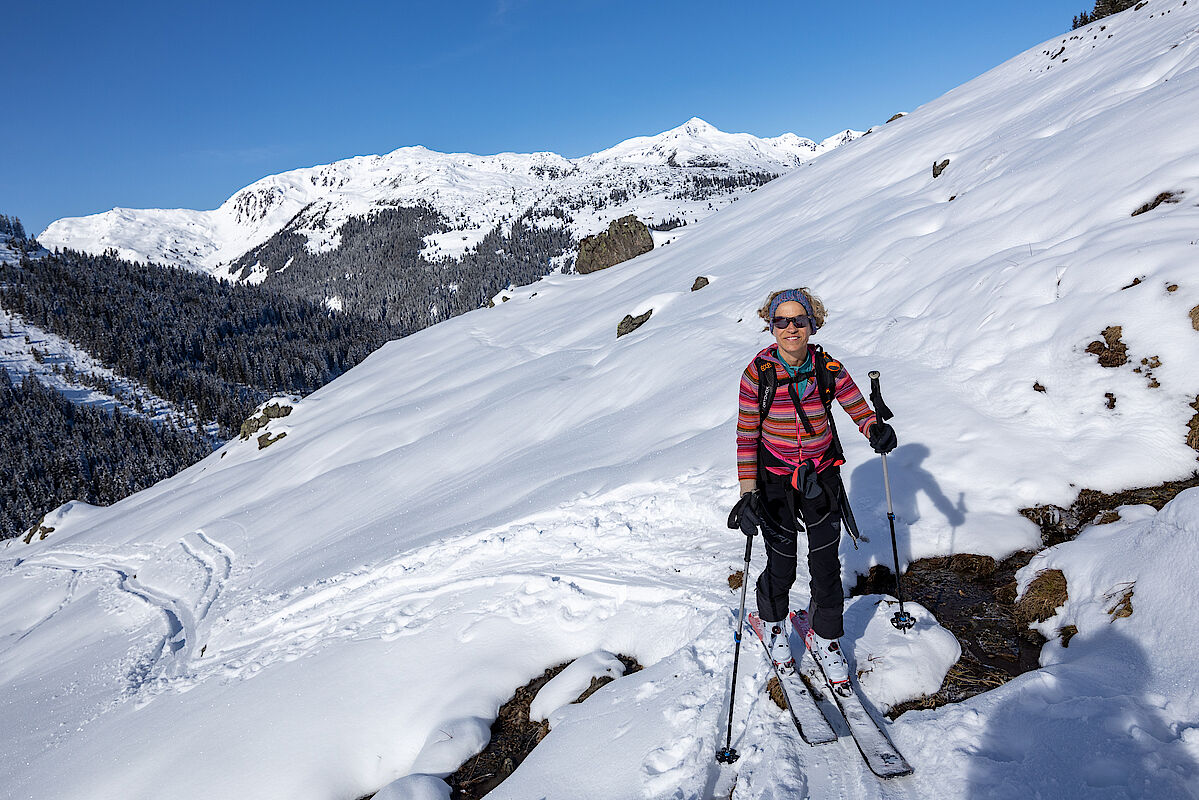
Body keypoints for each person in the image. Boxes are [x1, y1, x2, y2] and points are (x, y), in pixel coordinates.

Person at [728, 288, 896, 693]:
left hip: (822, 477)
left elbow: (856, 405)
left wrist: (875, 428)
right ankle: (771, 624)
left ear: (812, 324)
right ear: (770, 325)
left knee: (825, 565)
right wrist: (747, 493)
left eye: (798, 320)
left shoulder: (828, 367)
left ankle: (825, 636)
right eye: (781, 321)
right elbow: (747, 433)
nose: (790, 328)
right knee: (781, 562)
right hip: (774, 481)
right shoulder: (758, 373)